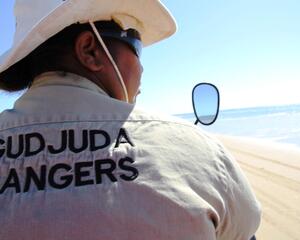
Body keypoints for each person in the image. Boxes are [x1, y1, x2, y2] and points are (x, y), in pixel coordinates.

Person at [0, 0, 261, 239]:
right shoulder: (198, 150)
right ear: (89, 50)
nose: (142, 68)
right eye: (136, 47)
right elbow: (244, 230)